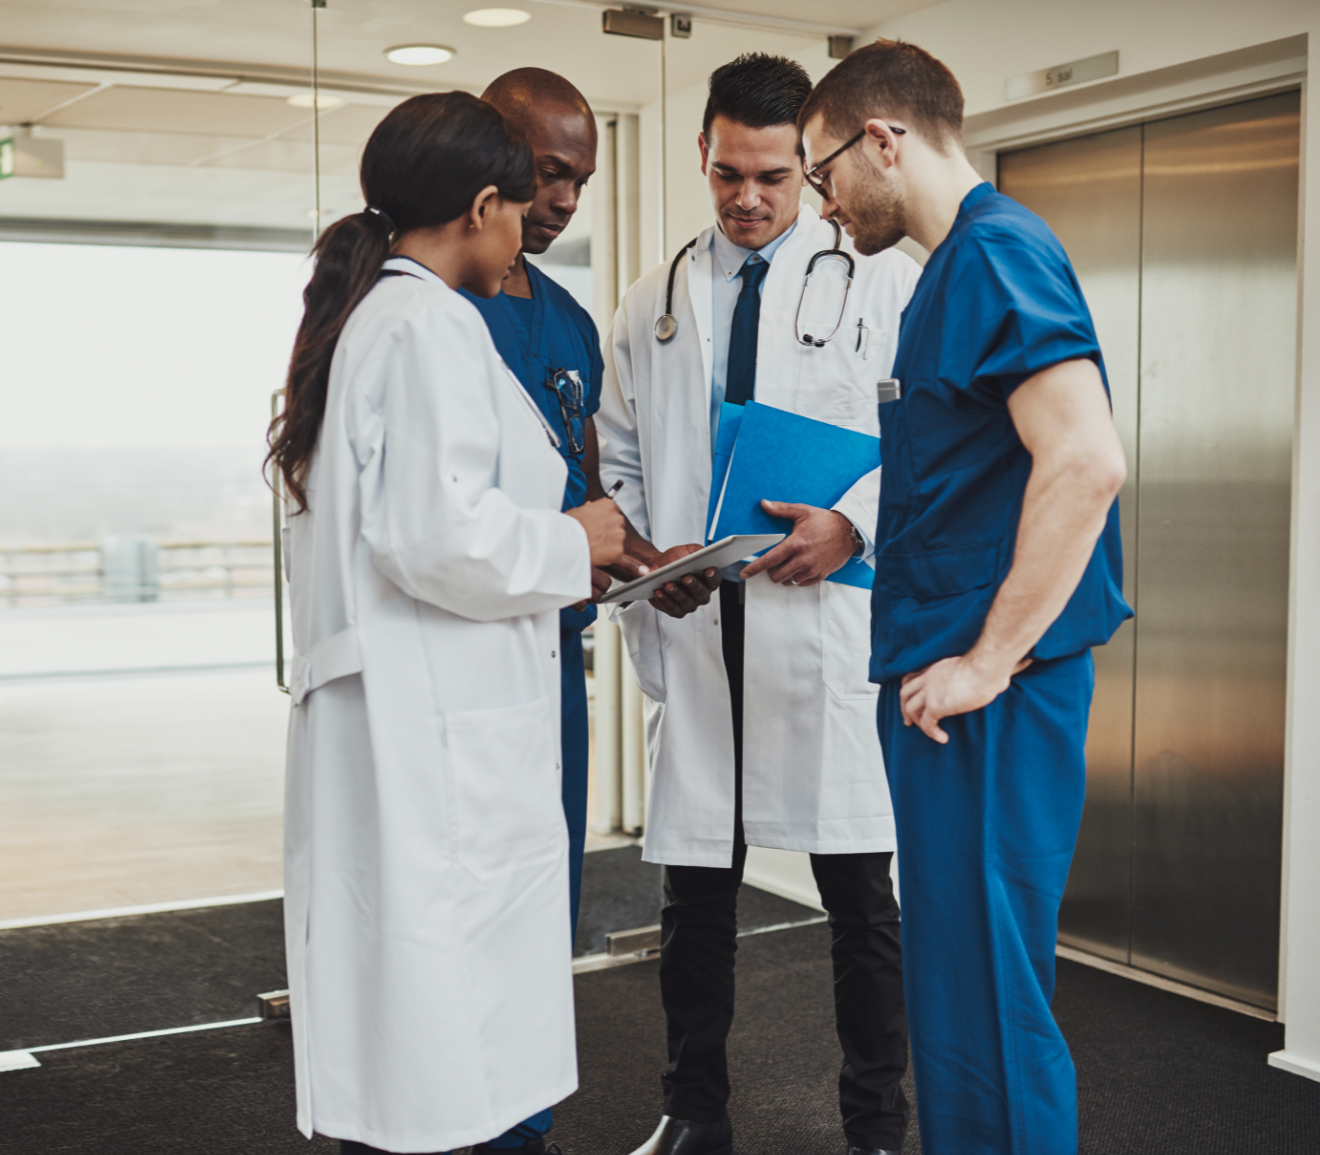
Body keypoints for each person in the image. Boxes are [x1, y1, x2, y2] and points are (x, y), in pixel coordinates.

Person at [269, 91, 628, 1155]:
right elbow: (438, 539)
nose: (531, 228)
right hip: (432, 723)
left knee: (412, 1002)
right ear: (482, 206)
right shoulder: (426, 324)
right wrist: (581, 544)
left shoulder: (378, 316)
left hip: (412, 710)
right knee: (442, 1005)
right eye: (522, 205)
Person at [797, 40, 1130, 1155]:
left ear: (881, 141)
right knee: (956, 988)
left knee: (992, 993)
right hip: (948, 697)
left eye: (821, 170)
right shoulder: (945, 276)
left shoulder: (997, 253)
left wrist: (988, 660)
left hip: (991, 695)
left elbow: (1085, 461)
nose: (823, 202)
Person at [597, 53, 919, 1155]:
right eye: (729, 173)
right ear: (702, 152)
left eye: (774, 178)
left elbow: (929, 440)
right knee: (695, 904)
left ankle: (877, 1124)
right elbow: (618, 454)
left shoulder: (878, 273)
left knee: (862, 902)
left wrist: (855, 523)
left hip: (819, 627)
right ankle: (694, 1113)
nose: (747, 198)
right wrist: (649, 551)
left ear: (808, 165)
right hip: (698, 629)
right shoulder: (656, 298)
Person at [461, 66, 614, 1154]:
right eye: (547, 174)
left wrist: (656, 559)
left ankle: (521, 1134)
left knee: (536, 917)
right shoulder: (420, 304)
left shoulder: (566, 321)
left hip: (552, 659)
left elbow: (585, 488)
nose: (562, 202)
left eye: (580, 181)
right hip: (457, 664)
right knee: (453, 916)